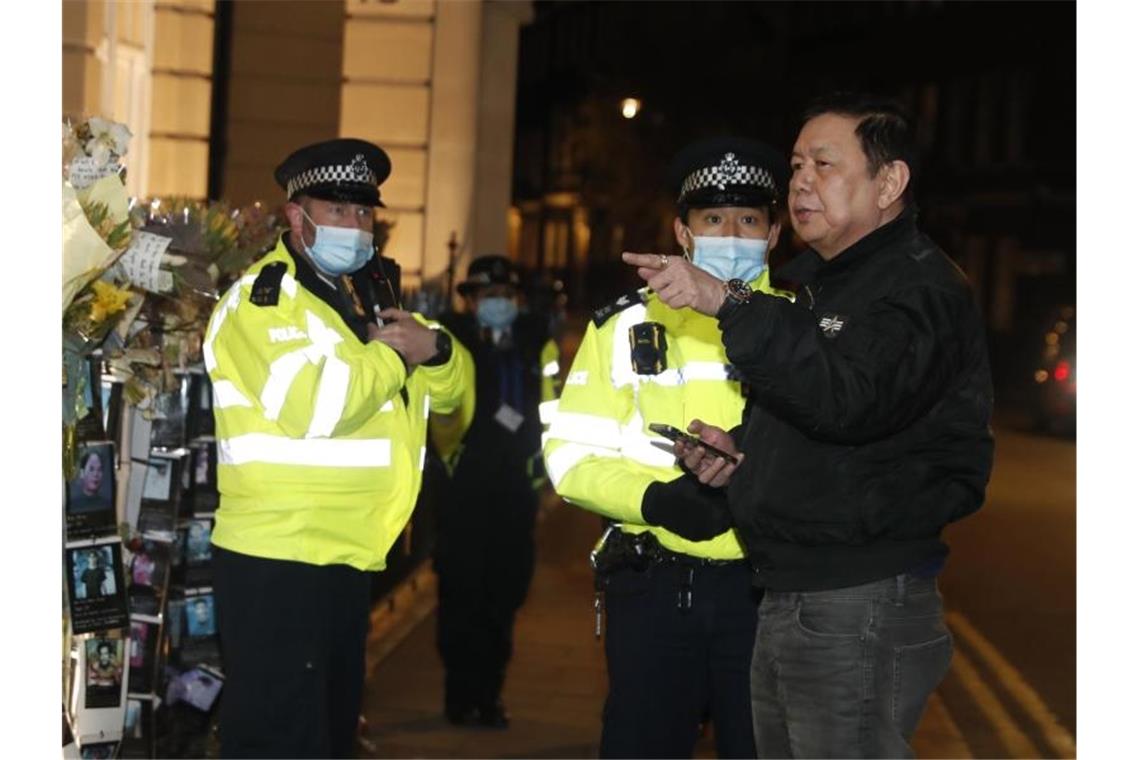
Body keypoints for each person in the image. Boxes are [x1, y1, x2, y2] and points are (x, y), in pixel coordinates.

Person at [623, 93, 995, 758]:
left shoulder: (918, 289)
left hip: (857, 601)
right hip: (795, 591)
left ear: (890, 182)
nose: (800, 183)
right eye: (797, 167)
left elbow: (850, 400)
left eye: (823, 165)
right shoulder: (828, 286)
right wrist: (746, 456)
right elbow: (820, 415)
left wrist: (724, 300)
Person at [203, 137, 474, 758]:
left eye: (364, 213)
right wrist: (392, 352)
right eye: (338, 211)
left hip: (343, 558)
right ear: (297, 218)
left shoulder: (354, 302)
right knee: (281, 739)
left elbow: (448, 403)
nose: (356, 226)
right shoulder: (264, 300)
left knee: (325, 737)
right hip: (280, 560)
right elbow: (317, 404)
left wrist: (432, 351)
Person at [544, 137, 792, 758]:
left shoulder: (801, 326)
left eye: (748, 220)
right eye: (713, 219)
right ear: (683, 233)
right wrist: (655, 501)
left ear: (774, 235)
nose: (730, 234)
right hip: (654, 590)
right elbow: (570, 457)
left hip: (769, 597)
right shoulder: (623, 327)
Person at [432, 255, 560, 728]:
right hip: (464, 491)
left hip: (515, 493)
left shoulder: (534, 343)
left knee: (504, 595)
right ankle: (459, 694)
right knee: (460, 595)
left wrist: (542, 469)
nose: (499, 305)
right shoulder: (453, 342)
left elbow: (549, 405)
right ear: (470, 301)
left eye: (506, 296)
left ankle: (490, 695)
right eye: (489, 297)